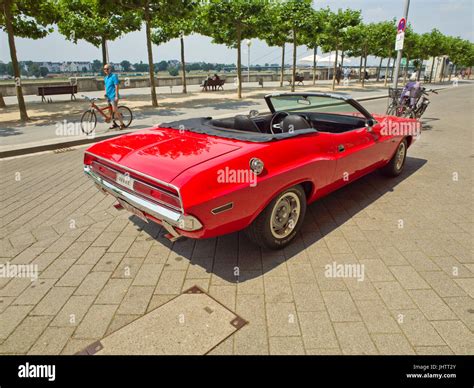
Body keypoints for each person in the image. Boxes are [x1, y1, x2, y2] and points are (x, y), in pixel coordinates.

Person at [104, 64, 124, 129]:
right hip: (108, 97)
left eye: (107, 69)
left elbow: (116, 86)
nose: (106, 70)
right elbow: (106, 86)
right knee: (111, 112)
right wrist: (105, 93)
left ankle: (122, 124)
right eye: (104, 69)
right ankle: (114, 123)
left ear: (110, 69)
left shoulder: (114, 76)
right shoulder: (105, 78)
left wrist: (117, 96)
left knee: (115, 110)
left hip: (113, 96)